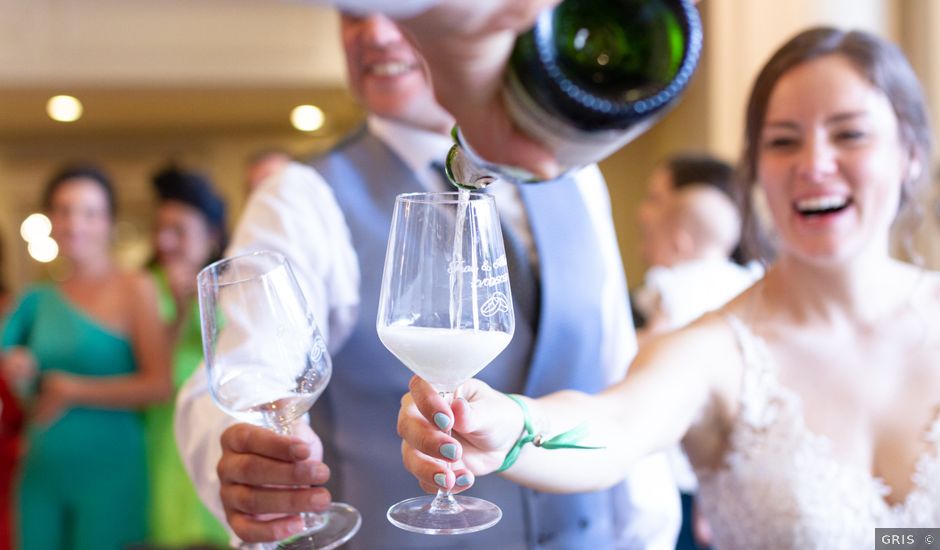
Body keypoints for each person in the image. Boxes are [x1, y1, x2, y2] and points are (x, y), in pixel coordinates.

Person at [399, 27, 940, 550]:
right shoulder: (714, 352)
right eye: (783, 141)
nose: (815, 165)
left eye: (850, 134)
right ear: (755, 170)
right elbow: (618, 425)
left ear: (911, 152)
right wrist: (514, 427)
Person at [176, 12, 679, 550]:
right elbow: (246, 373)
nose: (374, 31)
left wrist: (647, 534)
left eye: (403, 8)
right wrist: (245, 460)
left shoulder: (576, 178)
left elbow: (612, 363)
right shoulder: (301, 195)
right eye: (353, 12)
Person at [1, 165, 172, 550]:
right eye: (63, 210)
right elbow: (13, 363)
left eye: (89, 211)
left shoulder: (135, 287)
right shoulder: (35, 299)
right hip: (41, 470)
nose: (74, 222)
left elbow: (158, 385)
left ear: (109, 222)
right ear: (50, 220)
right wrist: (18, 368)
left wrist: (75, 389)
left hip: (110, 469)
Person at [145, 165, 230, 548]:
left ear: (210, 235)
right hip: (163, 446)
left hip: (222, 436)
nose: (165, 241)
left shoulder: (233, 286)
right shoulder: (146, 289)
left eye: (178, 230)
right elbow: (153, 376)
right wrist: (180, 309)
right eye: (160, 229)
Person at [633, 154, 760, 342]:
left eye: (655, 199)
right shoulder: (749, 281)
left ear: (680, 243)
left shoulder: (673, 284)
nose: (640, 213)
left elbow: (653, 341)